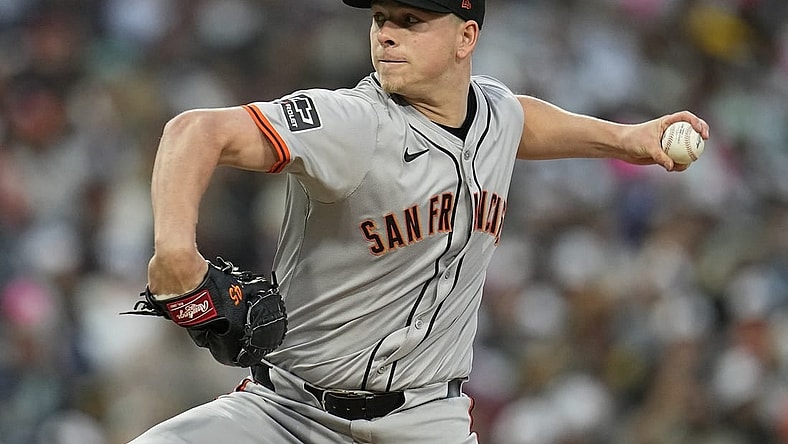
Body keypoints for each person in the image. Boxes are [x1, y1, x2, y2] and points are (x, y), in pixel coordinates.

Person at [130, 0, 710, 442]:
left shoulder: (495, 114)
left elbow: (519, 119)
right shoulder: (354, 124)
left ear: (466, 37)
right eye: (381, 17)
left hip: (426, 421)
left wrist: (624, 138)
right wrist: (174, 252)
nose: (386, 33)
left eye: (410, 20)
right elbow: (194, 130)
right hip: (287, 414)